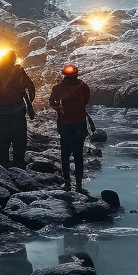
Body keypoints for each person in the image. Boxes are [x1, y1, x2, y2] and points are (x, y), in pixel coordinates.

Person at [0, 49, 35, 168]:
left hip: (1, 112)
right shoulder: (18, 70)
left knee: (3, 140)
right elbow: (30, 87)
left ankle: (4, 164)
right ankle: (19, 164)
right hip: (18, 110)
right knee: (19, 139)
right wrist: (30, 104)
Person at [49, 63, 92, 192]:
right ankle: (78, 185)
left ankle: (67, 184)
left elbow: (52, 101)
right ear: (76, 75)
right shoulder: (83, 86)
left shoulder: (57, 88)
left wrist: (59, 109)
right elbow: (86, 100)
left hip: (65, 124)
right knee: (78, 155)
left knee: (65, 155)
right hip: (79, 124)